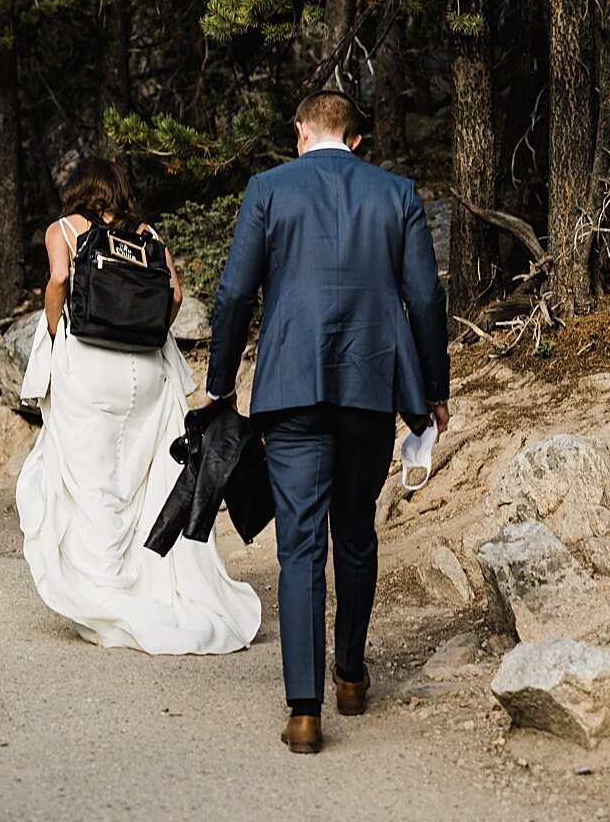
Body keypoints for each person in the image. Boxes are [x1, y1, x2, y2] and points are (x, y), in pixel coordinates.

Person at [207, 90, 450, 753]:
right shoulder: (396, 194)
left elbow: (234, 292)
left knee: (301, 545)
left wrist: (219, 384)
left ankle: (306, 711)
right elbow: (426, 296)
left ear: (302, 130)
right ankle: (349, 673)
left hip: (290, 386)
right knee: (356, 531)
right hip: (371, 385)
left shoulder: (268, 188)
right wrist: (434, 389)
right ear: (358, 140)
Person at [16, 158, 261, 655]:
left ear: (78, 190)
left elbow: (60, 278)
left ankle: (106, 589)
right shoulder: (146, 233)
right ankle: (149, 578)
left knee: (94, 482)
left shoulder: (63, 228)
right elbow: (173, 293)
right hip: (145, 368)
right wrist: (151, 329)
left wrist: (51, 326)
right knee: (140, 475)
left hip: (89, 368)